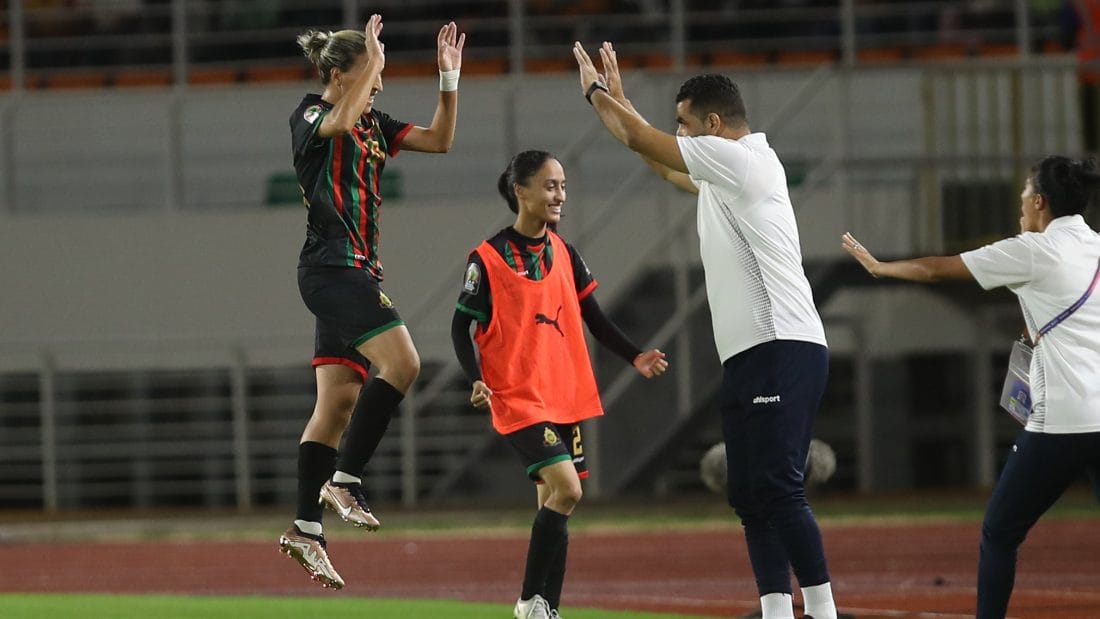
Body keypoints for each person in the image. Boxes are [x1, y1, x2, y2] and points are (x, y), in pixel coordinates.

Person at [572, 42, 839, 619]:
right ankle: (774, 611)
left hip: (782, 345)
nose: (681, 135)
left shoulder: (745, 162)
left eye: (685, 125)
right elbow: (662, 163)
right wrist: (617, 104)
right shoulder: (724, 173)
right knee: (748, 494)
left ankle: (822, 611)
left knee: (779, 487)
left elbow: (647, 141)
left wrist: (600, 94)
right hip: (751, 353)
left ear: (713, 125)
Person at [842, 156, 1100, 619]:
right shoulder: (1094, 247)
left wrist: (882, 268)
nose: (1020, 201)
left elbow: (937, 268)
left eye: (1025, 192)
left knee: (1000, 532)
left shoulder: (1033, 250)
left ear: (1040, 202)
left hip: (1060, 422)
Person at [277, 14, 465, 590]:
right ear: (339, 73)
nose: (380, 84)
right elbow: (335, 121)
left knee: (336, 405)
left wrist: (448, 81)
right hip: (332, 271)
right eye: (372, 73)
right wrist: (375, 63)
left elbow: (440, 139)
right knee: (403, 363)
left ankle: (307, 528)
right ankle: (345, 479)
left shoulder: (374, 123)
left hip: (356, 270)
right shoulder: (311, 114)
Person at [451, 150, 669, 619]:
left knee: (553, 500)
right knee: (568, 491)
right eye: (550, 186)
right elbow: (459, 327)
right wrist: (475, 379)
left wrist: (635, 355)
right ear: (521, 191)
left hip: (561, 397)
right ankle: (530, 600)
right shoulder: (486, 259)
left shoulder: (566, 253)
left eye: (563, 186)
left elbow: (595, 317)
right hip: (516, 398)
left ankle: (548, 607)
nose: (559, 195)